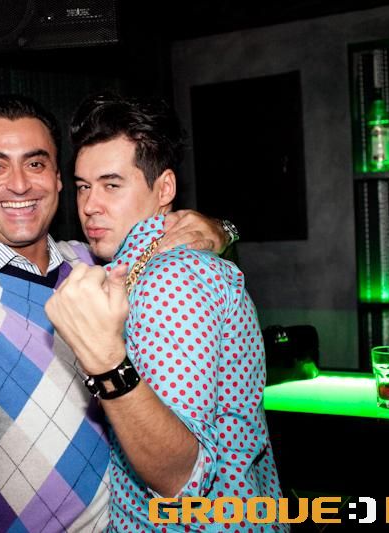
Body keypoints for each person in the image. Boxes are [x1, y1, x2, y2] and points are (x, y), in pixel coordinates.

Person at [0, 94, 229, 532]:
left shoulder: (96, 262)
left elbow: (174, 245)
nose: (19, 185)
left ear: (57, 178)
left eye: (35, 164)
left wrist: (221, 230)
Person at [44, 93, 285, 531]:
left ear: (165, 189)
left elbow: (183, 480)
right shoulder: (127, 267)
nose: (90, 205)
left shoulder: (169, 279)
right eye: (82, 186)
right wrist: (225, 230)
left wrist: (107, 364)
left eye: (112, 185)